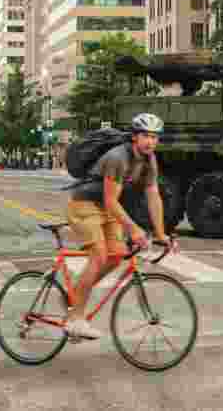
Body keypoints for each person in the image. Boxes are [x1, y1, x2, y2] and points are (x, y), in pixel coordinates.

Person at [62, 113, 177, 341]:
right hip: (85, 205)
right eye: (145, 136)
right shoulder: (118, 158)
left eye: (155, 137)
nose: (150, 142)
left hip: (107, 209)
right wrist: (134, 229)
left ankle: (74, 295)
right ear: (135, 137)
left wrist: (161, 233)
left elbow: (153, 195)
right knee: (99, 255)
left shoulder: (149, 160)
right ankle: (75, 319)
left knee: (116, 257)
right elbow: (110, 200)